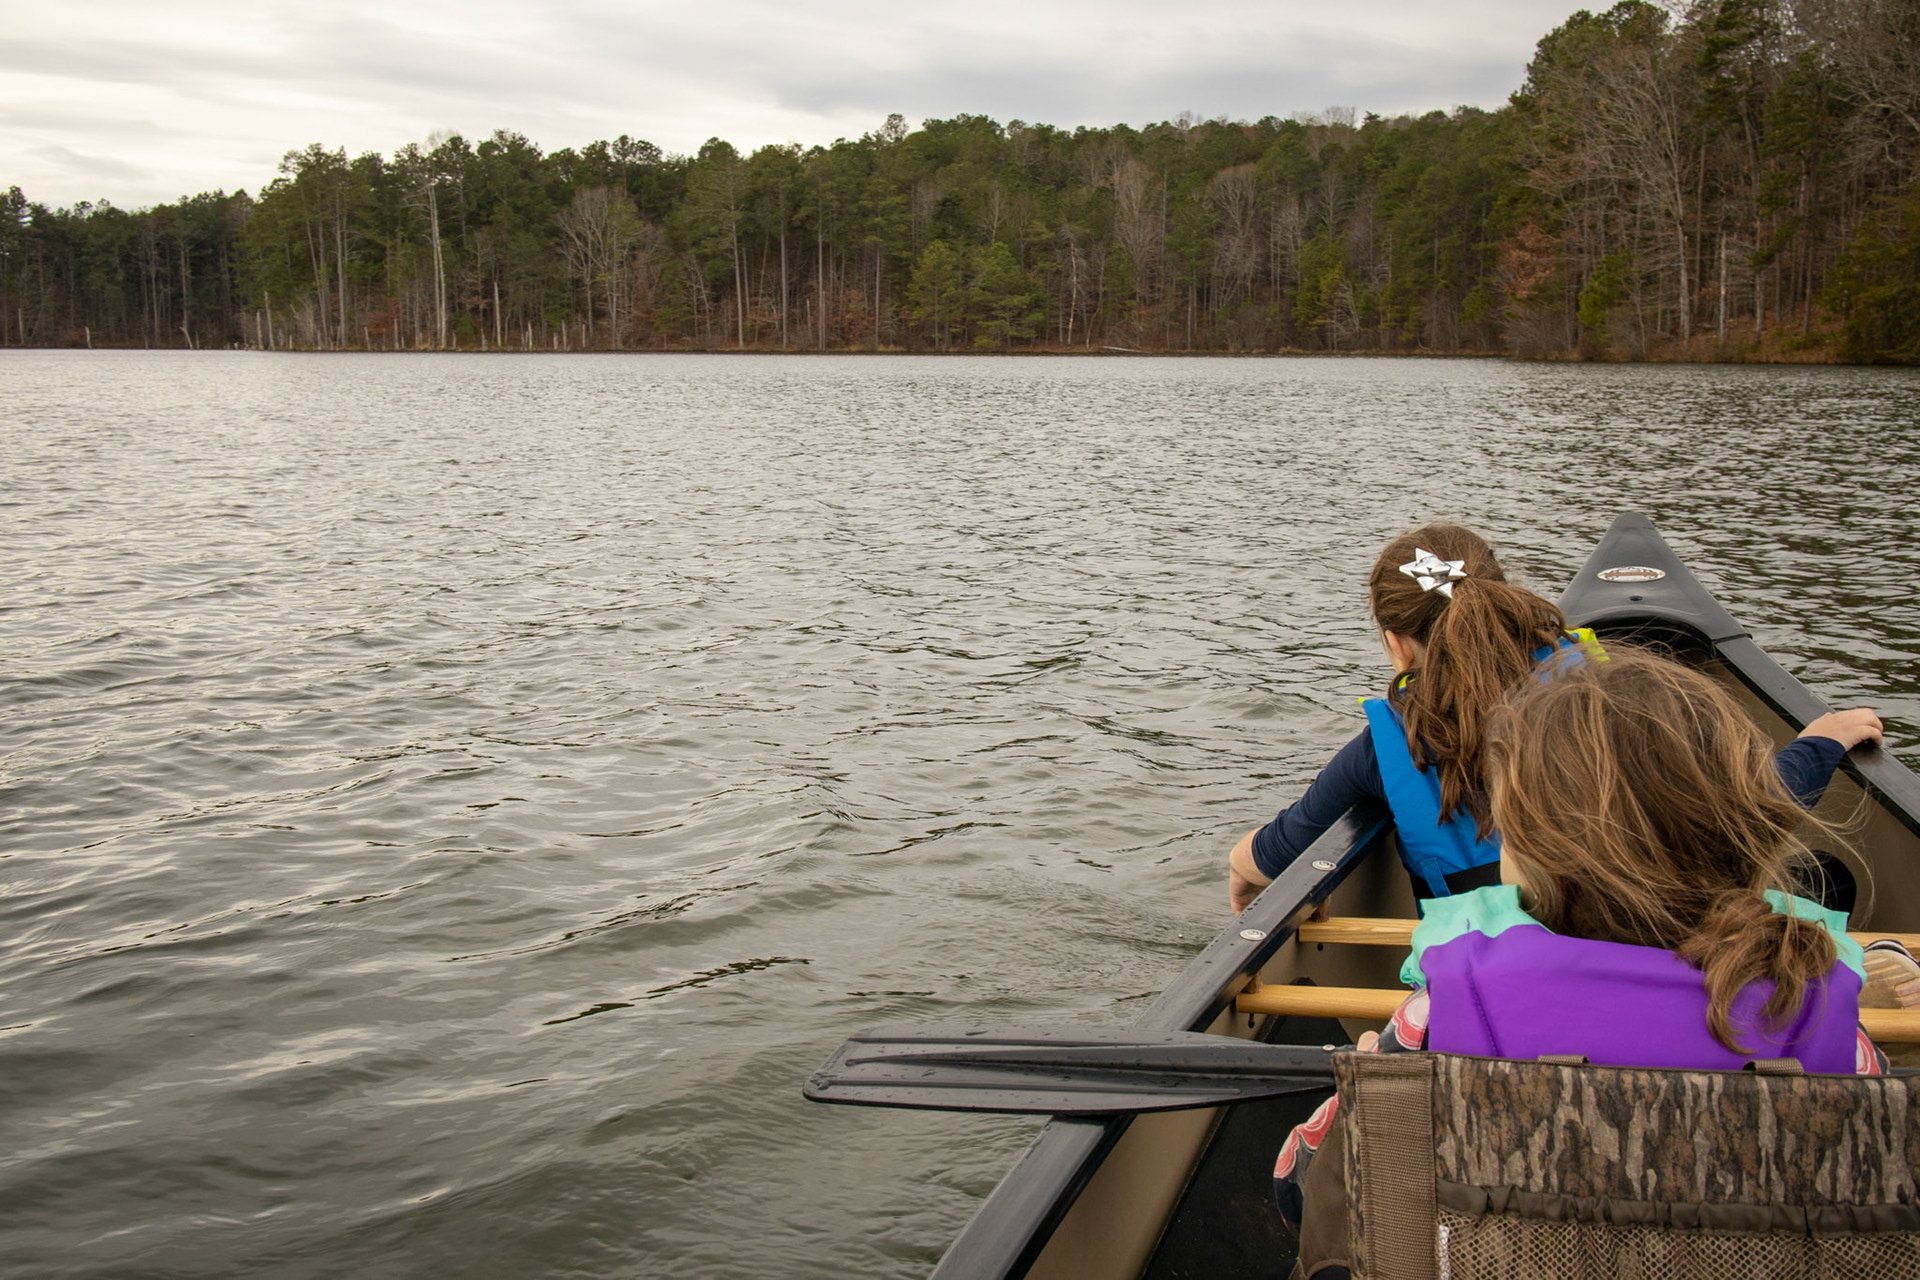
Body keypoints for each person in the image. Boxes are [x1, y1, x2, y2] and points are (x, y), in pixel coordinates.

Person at [1274, 648, 1902, 1279]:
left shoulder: (1442, 1011)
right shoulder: (1825, 1019)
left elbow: (1300, 1190)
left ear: (1534, 851)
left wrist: (1374, 1094)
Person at [1227, 523, 1883, 914]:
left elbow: (1277, 851)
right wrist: (1818, 743)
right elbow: (1747, 804)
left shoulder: (1383, 750)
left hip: (1490, 992)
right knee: (1825, 878)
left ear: (1395, 644)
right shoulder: (1608, 695)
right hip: (1648, 934)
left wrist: (1237, 865)